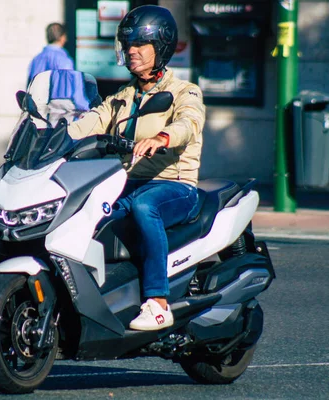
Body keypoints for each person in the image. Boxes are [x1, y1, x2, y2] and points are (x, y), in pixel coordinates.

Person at [68, 5, 206, 331]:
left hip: (173, 184)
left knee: (146, 207)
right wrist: (54, 134)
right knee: (88, 214)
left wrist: (163, 136)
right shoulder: (124, 96)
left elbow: (190, 122)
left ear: (160, 48)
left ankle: (158, 303)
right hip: (126, 183)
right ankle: (99, 298)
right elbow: (93, 120)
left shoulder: (183, 92)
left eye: (139, 45)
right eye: (128, 45)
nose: (131, 52)